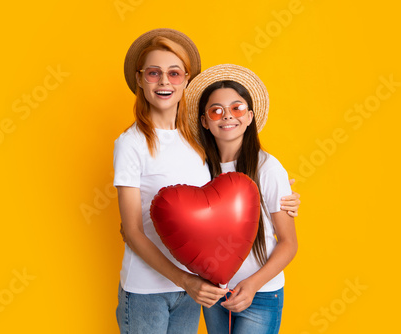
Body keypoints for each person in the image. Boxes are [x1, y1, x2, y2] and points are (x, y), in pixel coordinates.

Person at [114, 29, 300, 333]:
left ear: (186, 80)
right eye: (153, 73)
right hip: (161, 289)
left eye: (174, 73)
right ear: (139, 79)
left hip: (198, 291)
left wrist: (284, 193)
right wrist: (186, 279)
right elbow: (133, 230)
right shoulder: (132, 143)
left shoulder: (195, 143)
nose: (164, 81)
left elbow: (232, 195)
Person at [185, 64, 299, 333]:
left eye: (237, 108)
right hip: (214, 295)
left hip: (260, 294)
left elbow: (289, 243)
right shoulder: (197, 170)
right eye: (216, 110)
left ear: (249, 116)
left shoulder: (267, 168)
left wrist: (253, 284)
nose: (227, 117)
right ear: (205, 121)